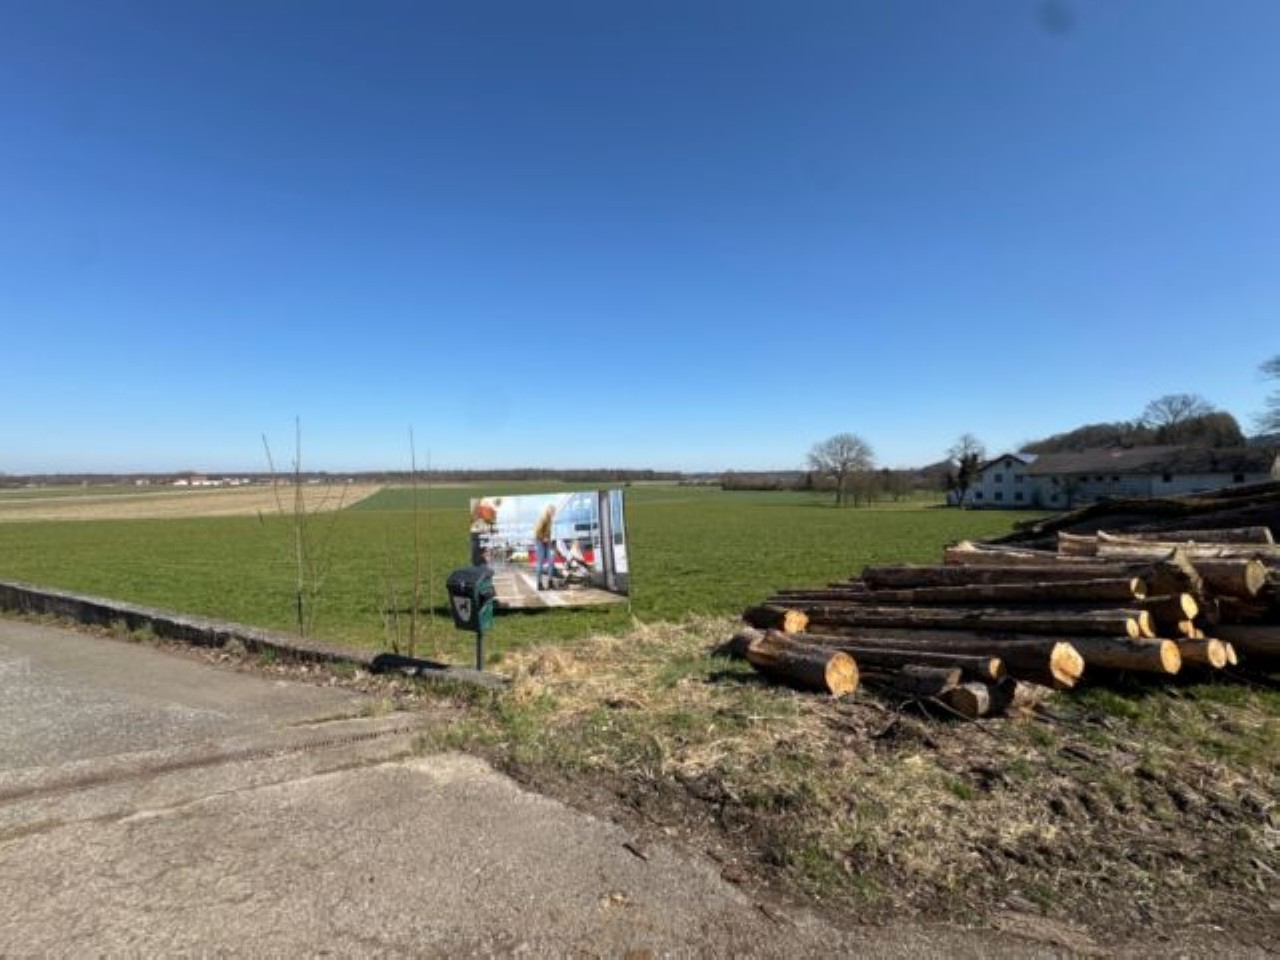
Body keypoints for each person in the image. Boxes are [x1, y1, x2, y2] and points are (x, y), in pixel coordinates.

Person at [533, 504, 556, 590]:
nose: (554, 513)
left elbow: (548, 533)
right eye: (553, 511)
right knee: (540, 563)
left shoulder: (550, 519)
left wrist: (549, 540)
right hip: (540, 542)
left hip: (547, 542)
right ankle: (539, 584)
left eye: (554, 511)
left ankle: (550, 582)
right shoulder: (543, 518)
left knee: (551, 561)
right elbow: (537, 532)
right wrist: (543, 538)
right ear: (548, 510)